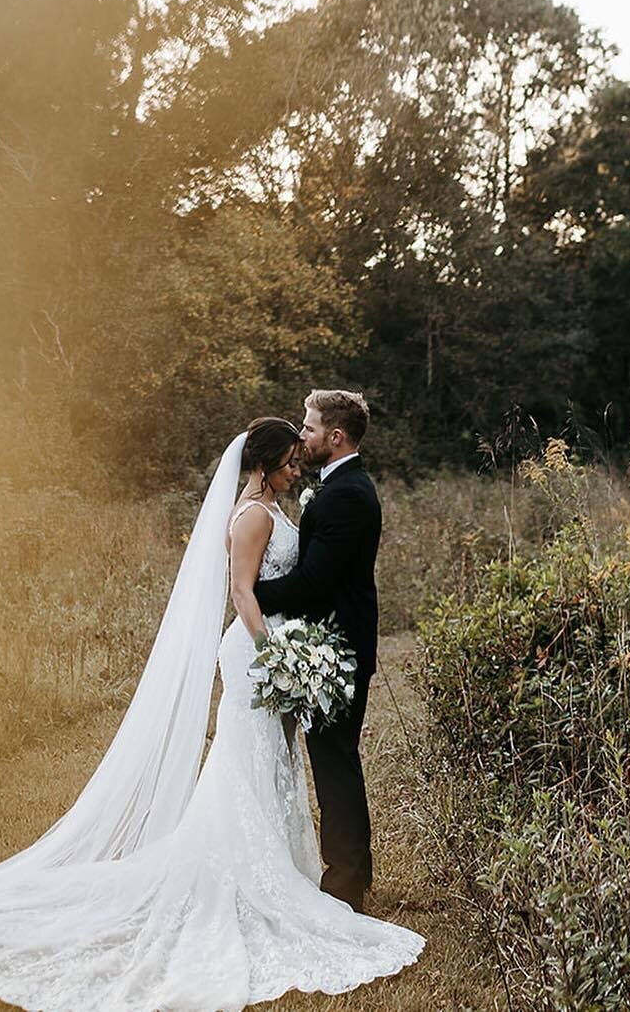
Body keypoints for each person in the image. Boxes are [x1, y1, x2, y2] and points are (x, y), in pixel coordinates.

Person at [0, 415, 425, 1011]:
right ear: (263, 464)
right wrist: (273, 654)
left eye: (296, 463)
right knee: (244, 762)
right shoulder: (253, 515)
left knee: (270, 764)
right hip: (259, 652)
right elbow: (242, 592)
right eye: (286, 463)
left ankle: (272, 871)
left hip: (278, 650)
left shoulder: (276, 506)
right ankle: (239, 878)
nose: (295, 468)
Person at [253, 389, 380, 913]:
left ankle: (346, 884)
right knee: (336, 761)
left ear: (336, 436)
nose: (300, 436)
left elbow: (311, 582)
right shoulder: (337, 487)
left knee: (335, 764)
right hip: (334, 645)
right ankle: (353, 873)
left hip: (340, 650)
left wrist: (248, 592)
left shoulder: (347, 494)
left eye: (307, 428)